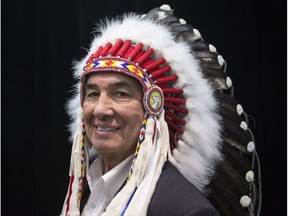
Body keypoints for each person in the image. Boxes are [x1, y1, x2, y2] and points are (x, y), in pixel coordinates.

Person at [61, 4, 261, 216]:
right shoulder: (83, 191)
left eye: (121, 94)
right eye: (92, 94)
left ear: (153, 109)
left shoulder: (184, 210)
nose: (101, 109)